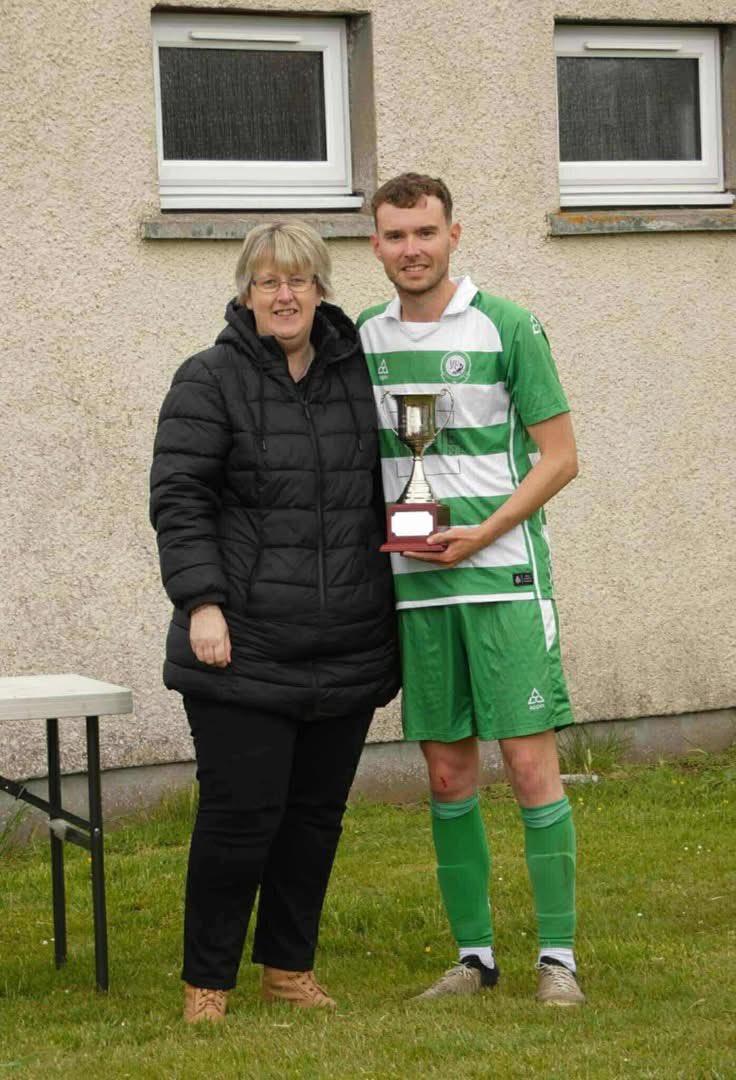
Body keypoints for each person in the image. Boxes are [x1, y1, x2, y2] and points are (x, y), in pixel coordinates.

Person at [150, 221, 400, 1023]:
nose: (284, 295)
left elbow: (392, 485)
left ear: (323, 287)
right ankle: (208, 983)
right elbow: (180, 501)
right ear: (245, 293)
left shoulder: (364, 377)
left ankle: (289, 969)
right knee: (239, 817)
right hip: (243, 645)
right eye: (267, 282)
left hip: (348, 642)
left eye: (298, 280)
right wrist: (202, 604)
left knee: (314, 821)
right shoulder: (208, 379)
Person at [358, 174, 584, 1006]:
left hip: (503, 578)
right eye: (395, 235)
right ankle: (475, 957)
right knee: (449, 777)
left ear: (455, 234)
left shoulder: (508, 323)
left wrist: (484, 532)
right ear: (374, 243)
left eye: (425, 232)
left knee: (529, 769)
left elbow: (560, 458)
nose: (411, 248)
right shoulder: (365, 340)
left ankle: (557, 959)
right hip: (417, 590)